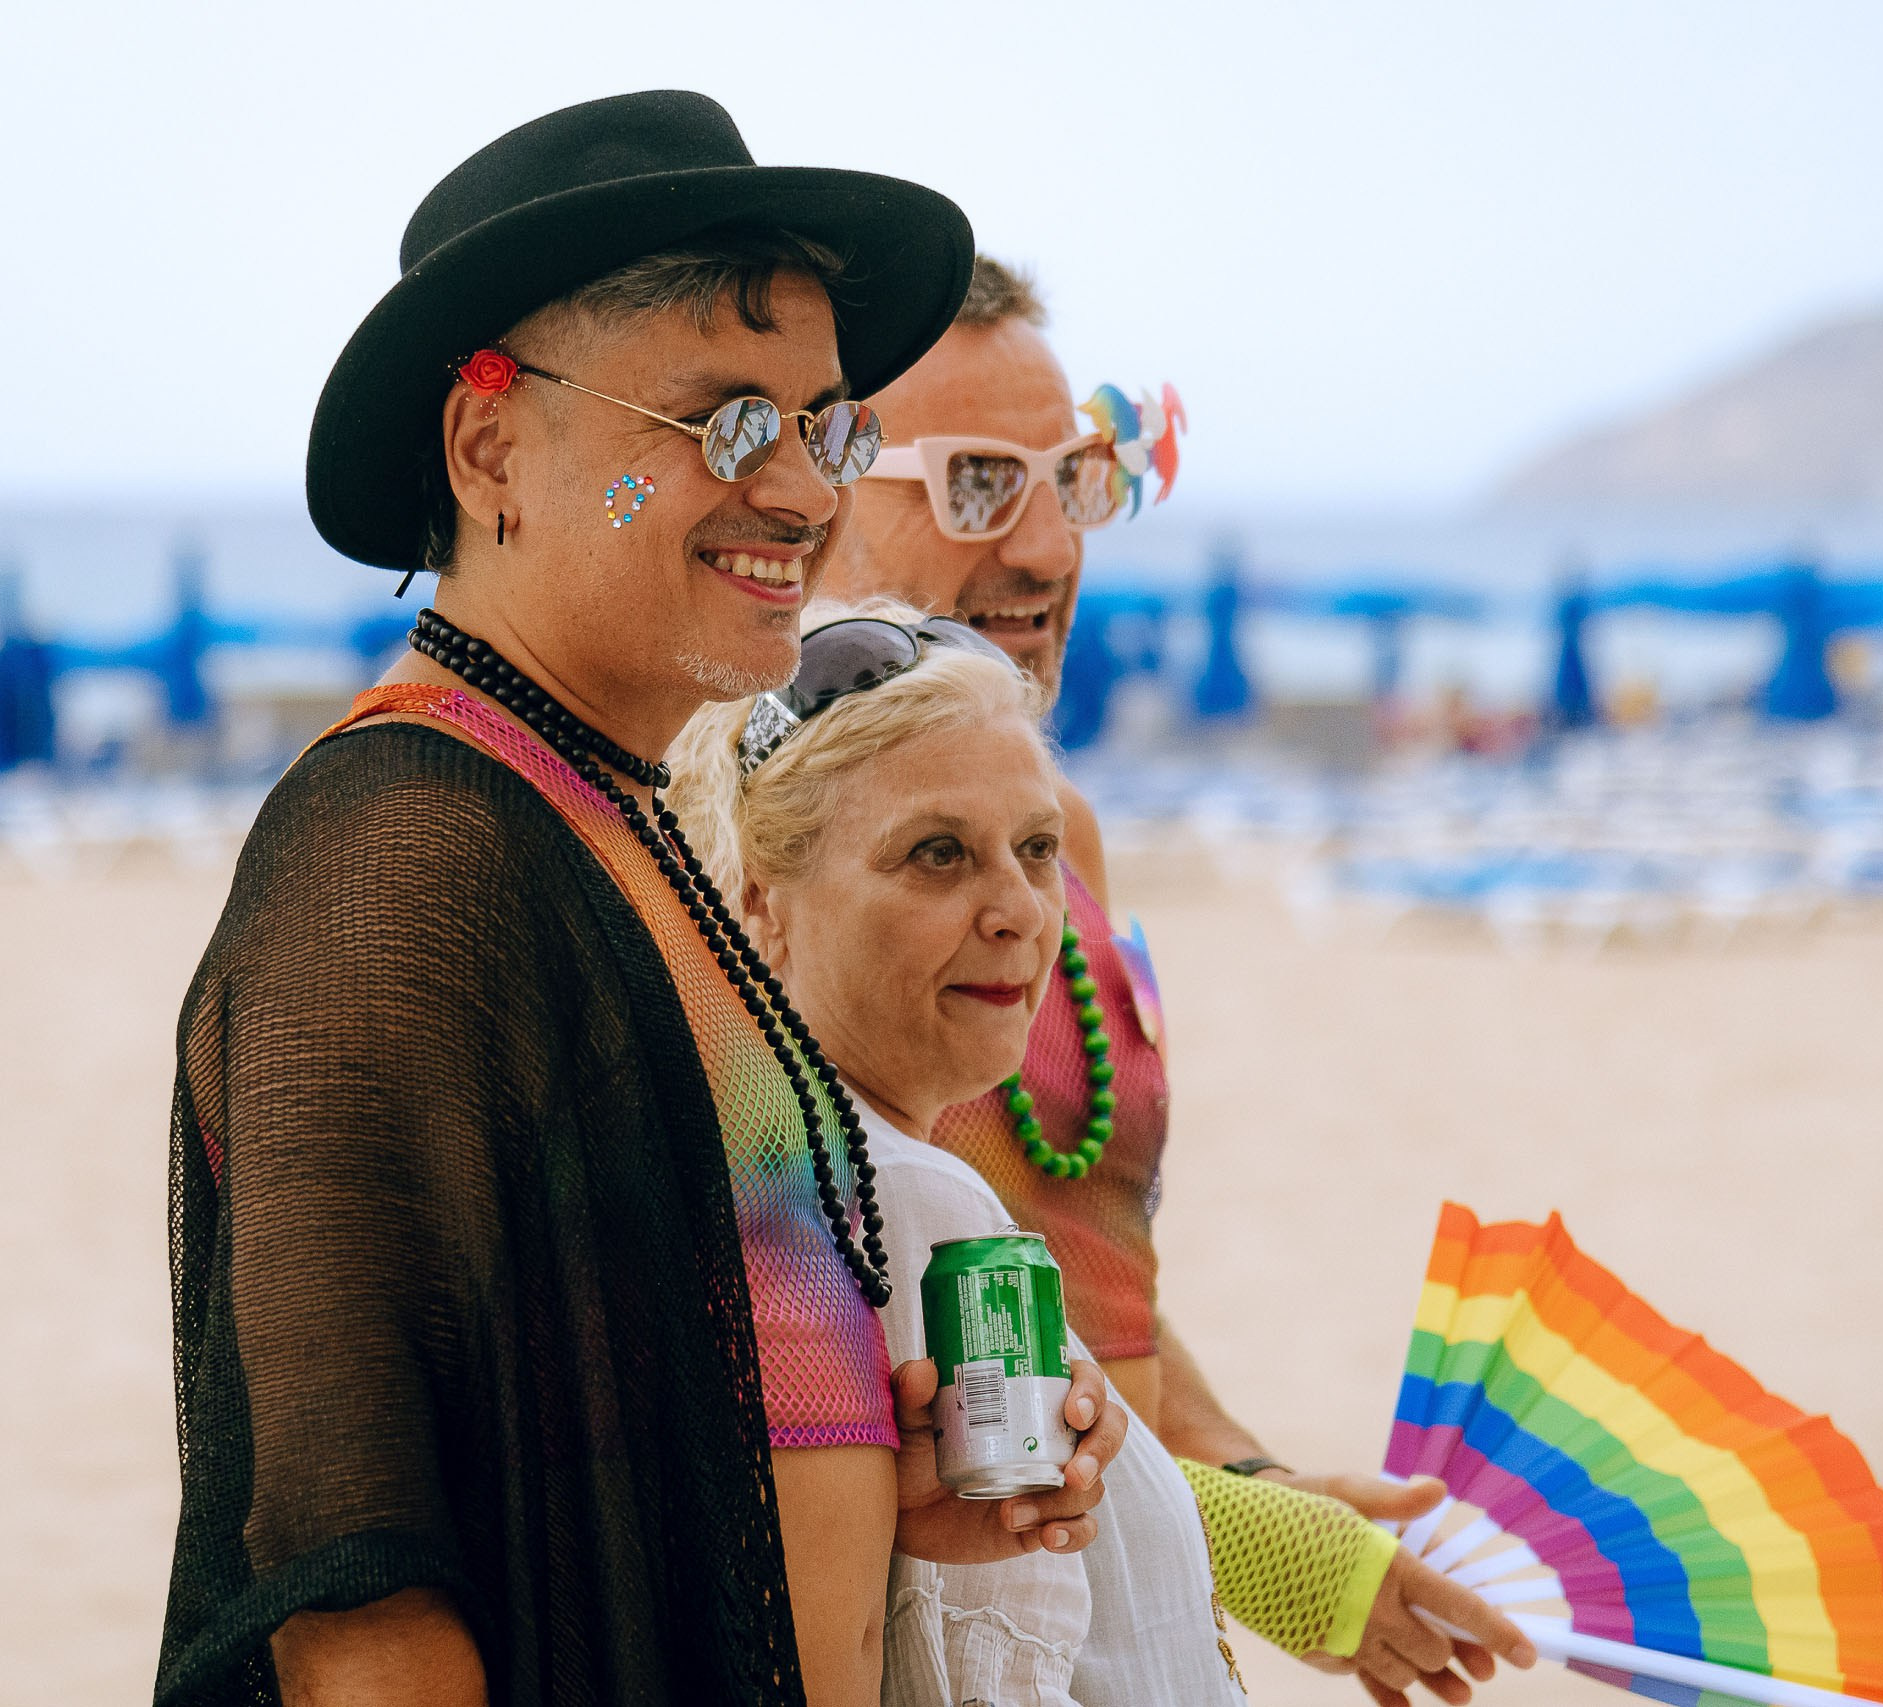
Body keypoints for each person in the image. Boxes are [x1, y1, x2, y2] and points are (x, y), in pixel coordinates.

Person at [155, 97, 1120, 1707]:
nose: (808, 495)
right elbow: (351, 1593)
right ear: (490, 451)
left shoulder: (612, 816)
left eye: (826, 424)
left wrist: (903, 1495)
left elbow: (637, 1426)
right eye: (728, 422)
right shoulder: (399, 859)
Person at [814, 258, 1539, 1702]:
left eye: (1071, 477)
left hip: (1152, 1610)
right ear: (815, 487)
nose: (1042, 545)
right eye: (972, 483)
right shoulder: (800, 878)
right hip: (977, 1623)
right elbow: (859, 1384)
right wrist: (1284, 1555)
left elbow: (1090, 1266)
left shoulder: (1055, 833)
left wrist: (1250, 1471)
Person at [668, 603, 1498, 1707]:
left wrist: (1252, 1513)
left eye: (1037, 848)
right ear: (762, 904)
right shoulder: (892, 1208)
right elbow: (980, 1663)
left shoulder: (799, 1168)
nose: (1017, 909)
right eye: (937, 855)